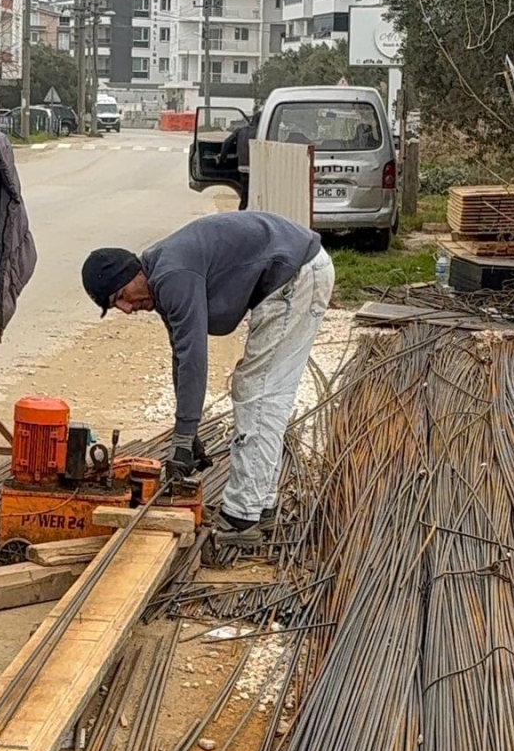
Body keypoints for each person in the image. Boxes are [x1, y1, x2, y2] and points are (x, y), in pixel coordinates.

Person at [81, 212, 334, 546]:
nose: (127, 309)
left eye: (120, 297)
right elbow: (181, 355)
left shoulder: (172, 275)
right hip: (298, 271)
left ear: (132, 274)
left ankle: (242, 518)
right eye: (117, 307)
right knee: (264, 391)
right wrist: (187, 432)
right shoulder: (160, 276)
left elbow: (194, 356)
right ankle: (259, 505)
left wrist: (184, 437)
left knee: (258, 392)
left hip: (297, 274)